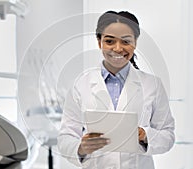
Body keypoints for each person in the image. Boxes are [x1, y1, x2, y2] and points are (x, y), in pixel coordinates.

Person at [57, 11, 175, 169]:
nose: (118, 49)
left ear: (135, 42)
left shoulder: (152, 84)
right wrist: (81, 147)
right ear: (99, 42)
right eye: (110, 41)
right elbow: (65, 137)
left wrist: (145, 135)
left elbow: (167, 135)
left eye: (126, 41)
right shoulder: (81, 84)